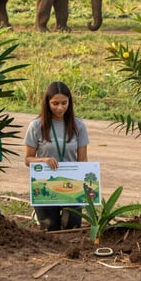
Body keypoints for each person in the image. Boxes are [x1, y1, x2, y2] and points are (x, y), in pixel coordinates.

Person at [24, 81, 89, 230]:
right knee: (50, 228)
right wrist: (43, 160)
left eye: (64, 103)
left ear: (70, 102)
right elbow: (28, 160)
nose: (60, 108)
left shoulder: (78, 125)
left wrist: (85, 186)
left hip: (71, 185)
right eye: (55, 103)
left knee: (71, 228)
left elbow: (83, 160)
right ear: (47, 103)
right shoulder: (36, 126)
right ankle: (39, 214)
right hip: (46, 184)